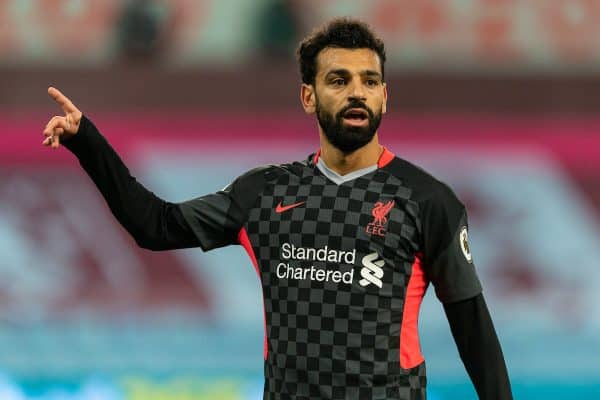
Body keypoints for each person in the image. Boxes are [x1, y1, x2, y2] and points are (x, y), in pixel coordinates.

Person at [42, 17, 512, 400]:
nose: (357, 92)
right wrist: (87, 142)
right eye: (338, 80)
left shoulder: (428, 200)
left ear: (385, 96)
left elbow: (473, 330)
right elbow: (154, 226)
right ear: (309, 96)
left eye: (370, 81)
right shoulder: (264, 193)